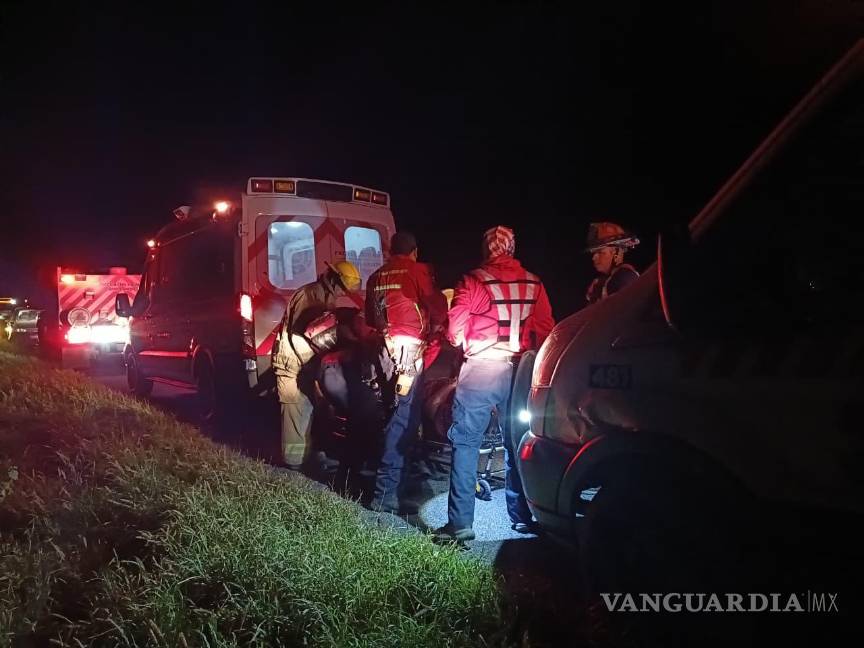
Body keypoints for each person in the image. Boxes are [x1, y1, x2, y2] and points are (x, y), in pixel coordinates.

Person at [434, 225, 554, 545]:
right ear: (512, 248)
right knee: (517, 442)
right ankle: (522, 516)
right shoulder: (534, 283)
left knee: (466, 443)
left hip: (482, 369)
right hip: (520, 370)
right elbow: (546, 330)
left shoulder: (472, 280)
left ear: (486, 248)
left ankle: (460, 524)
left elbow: (454, 331)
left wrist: (461, 339)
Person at [365, 231, 448, 513]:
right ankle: (385, 495)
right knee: (404, 420)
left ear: (390, 251)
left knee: (392, 414)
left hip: (384, 351)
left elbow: (371, 318)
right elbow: (438, 307)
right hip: (409, 354)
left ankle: (395, 486)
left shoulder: (376, 276)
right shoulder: (417, 271)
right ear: (414, 252)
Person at [271, 260, 362, 470]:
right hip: (292, 363)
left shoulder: (324, 295)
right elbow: (309, 332)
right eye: (342, 288)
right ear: (333, 278)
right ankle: (292, 466)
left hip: (307, 362)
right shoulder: (310, 295)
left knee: (310, 410)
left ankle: (307, 457)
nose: (342, 293)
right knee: (295, 411)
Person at [584, 222, 640, 304]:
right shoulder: (607, 281)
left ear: (615, 252)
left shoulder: (624, 277)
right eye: (593, 253)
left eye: (600, 252)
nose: (594, 257)